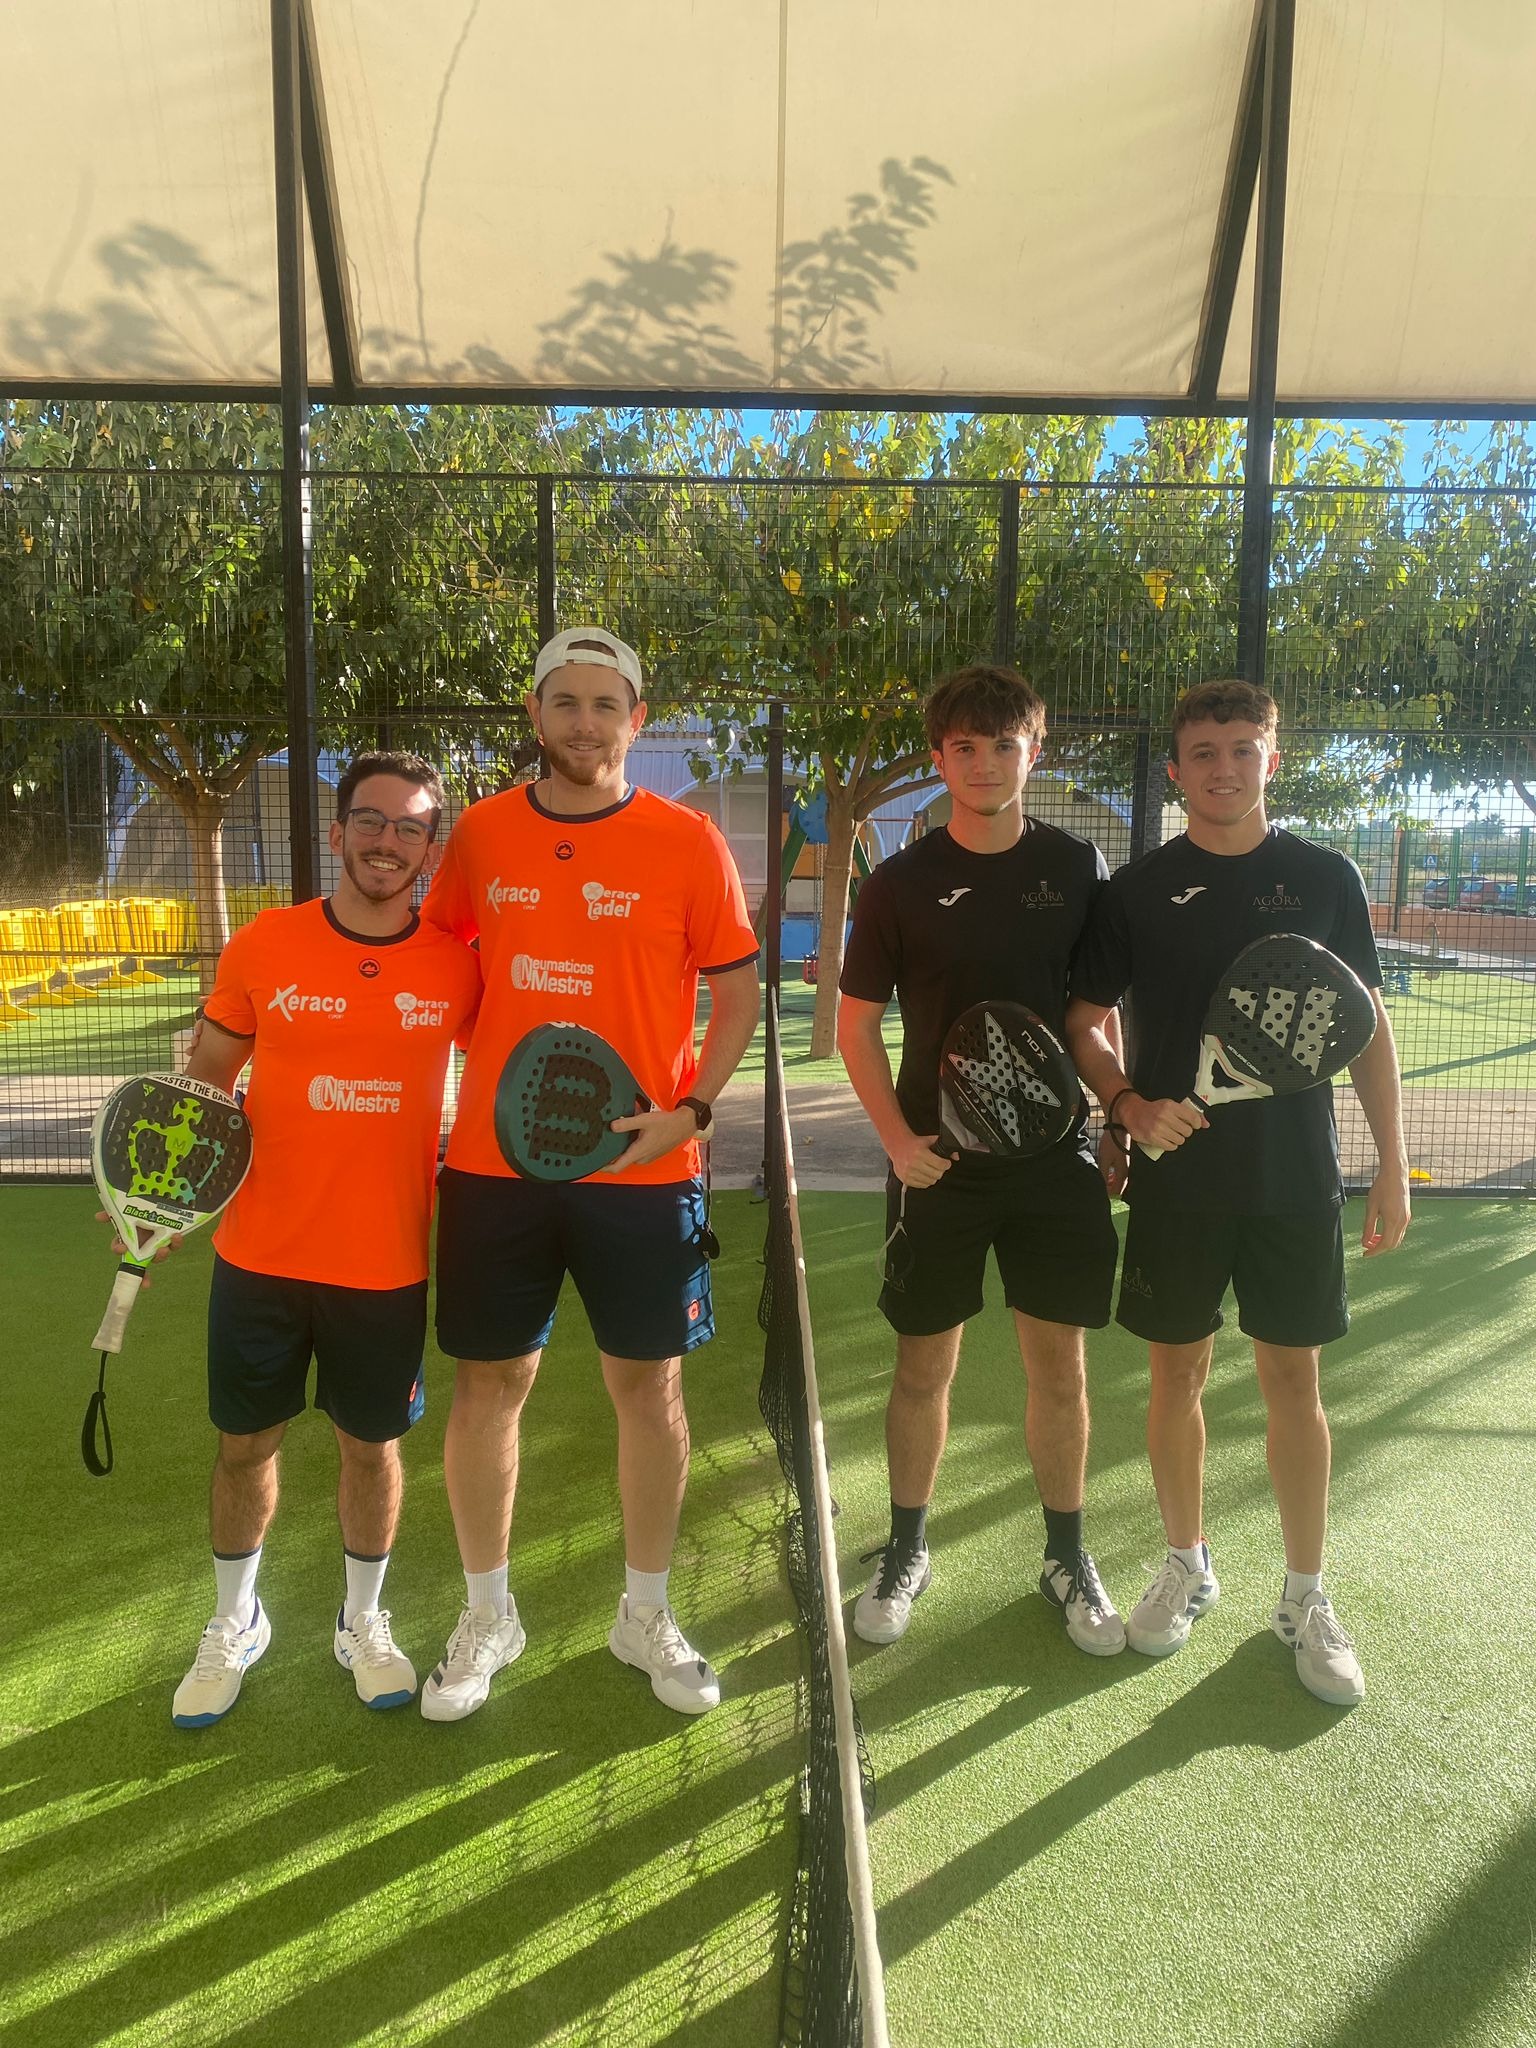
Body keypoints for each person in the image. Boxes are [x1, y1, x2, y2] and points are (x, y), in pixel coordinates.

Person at [418, 626, 760, 1722]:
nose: (583, 722)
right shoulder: (481, 833)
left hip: (645, 1171)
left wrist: (690, 1112)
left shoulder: (688, 840)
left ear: (636, 720)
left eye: (605, 704)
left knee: (649, 1390)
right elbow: (437, 962)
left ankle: (644, 1613)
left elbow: (738, 992)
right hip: (495, 1168)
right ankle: (487, 1614)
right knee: (489, 1385)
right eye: (563, 702)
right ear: (535, 714)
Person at [1065, 679, 1410, 1707]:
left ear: (1273, 759)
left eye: (1243, 749)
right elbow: (1084, 1022)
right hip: (1178, 1182)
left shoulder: (1326, 877)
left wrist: (1393, 1163)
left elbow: (1364, 1024)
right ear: (1177, 769)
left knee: (1293, 1382)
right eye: (1205, 752)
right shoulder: (1136, 889)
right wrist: (1126, 1106)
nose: (1224, 768)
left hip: (1293, 1178)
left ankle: (1306, 1596)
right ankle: (1187, 1563)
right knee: (1175, 1375)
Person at [155, 752, 480, 1728]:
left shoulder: (457, 965)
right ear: (337, 832)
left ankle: (362, 1621)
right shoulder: (265, 944)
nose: (388, 840)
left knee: (371, 1450)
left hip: (384, 1264)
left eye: (411, 826)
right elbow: (207, 1085)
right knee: (243, 1446)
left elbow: (508, 1060)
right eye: (370, 820)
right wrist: (164, 1196)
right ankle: (234, 1620)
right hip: (259, 1257)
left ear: (429, 849)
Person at [837, 664, 1127, 1656]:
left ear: (1033, 751)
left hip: (1055, 1165)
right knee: (923, 1366)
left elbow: (1094, 1019)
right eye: (965, 745)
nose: (985, 762)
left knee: (1061, 1369)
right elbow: (855, 1026)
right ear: (939, 757)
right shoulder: (898, 882)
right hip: (939, 1167)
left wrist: (1116, 1121)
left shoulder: (1078, 866)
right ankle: (906, 1548)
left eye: (1005, 744)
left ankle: (1066, 1555)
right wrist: (897, 1140)